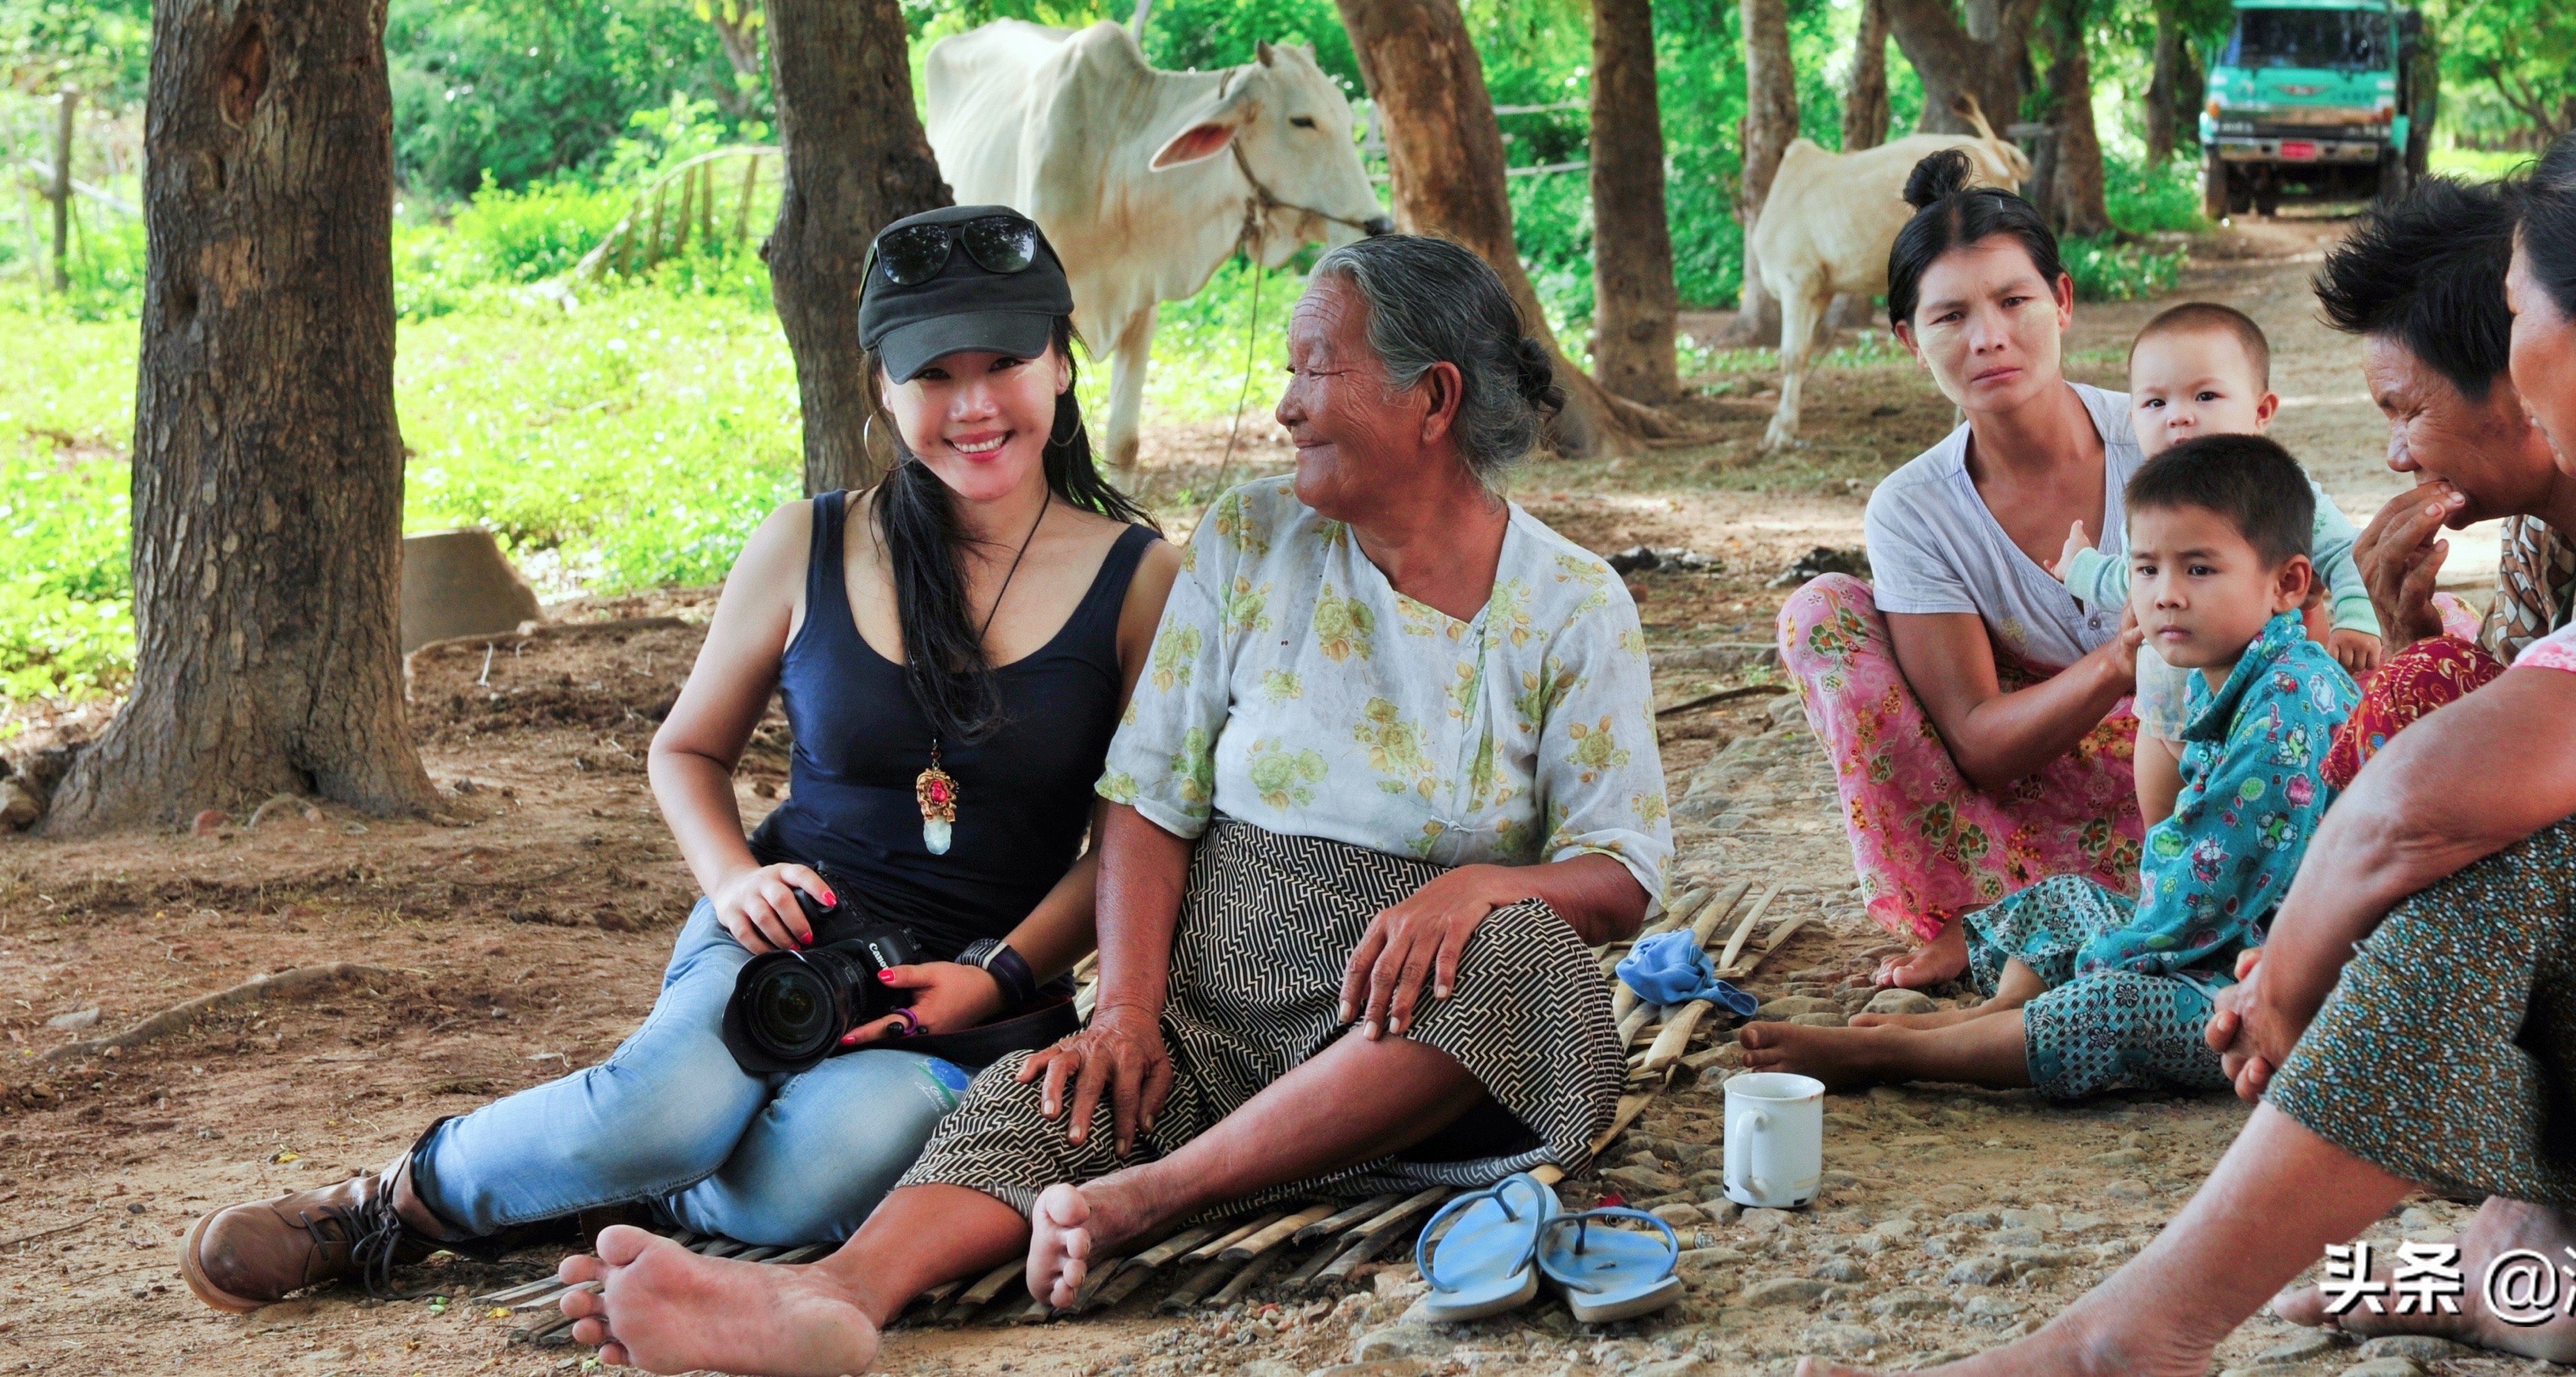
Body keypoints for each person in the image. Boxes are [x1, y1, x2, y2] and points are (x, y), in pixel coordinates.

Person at [1799, 107, 2576, 1377]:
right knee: (2473, 823)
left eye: (2513, 318)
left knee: (2498, 839)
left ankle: (2128, 1339)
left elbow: (2425, 804)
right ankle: (2518, 1256)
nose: (2514, 364)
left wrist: (2285, 978)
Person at [548, 232, 1673, 1376]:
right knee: (1048, 1092)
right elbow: (1145, 799)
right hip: (1215, 1012)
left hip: (1413, 1031)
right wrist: (1127, 1008)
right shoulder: (1250, 536)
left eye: (1312, 370)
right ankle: (833, 1296)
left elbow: (1620, 872)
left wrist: (1481, 890)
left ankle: (1152, 1196)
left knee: (1530, 960)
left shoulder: (1569, 604)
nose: (1284, 407)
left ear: (1432, 399)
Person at [177, 206, 1176, 1310]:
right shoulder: (809, 541)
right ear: (881, 392)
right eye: (933, 374)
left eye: (1006, 363)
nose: (974, 404)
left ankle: (610, 1191)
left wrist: (997, 975)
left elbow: (1138, 838)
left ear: (1065, 366)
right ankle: (391, 1204)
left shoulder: (1142, 583)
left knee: (814, 1176)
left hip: (986, 993)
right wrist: (733, 879)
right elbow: (688, 750)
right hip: (791, 936)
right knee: (667, 1110)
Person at [1740, 436, 2353, 1101]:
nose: (2166, 596)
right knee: (2057, 899)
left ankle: (1898, 1054)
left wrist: (2108, 960)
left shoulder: (2289, 709)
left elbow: (2208, 893)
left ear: (2287, 583)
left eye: (2199, 570)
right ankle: (1989, 1022)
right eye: (2145, 570)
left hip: (2294, 991)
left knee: (2109, 1008)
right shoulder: (2220, 667)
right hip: (2217, 933)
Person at [1778, 152, 2148, 994]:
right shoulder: (1913, 509)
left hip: (2197, 786)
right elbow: (1980, 744)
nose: (1989, 338)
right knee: (1823, 612)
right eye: (1950, 317)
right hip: (2018, 808)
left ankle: (2188, 896)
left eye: (2014, 301)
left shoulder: (2166, 433)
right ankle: (1976, 912)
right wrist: (2117, 662)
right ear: (1911, 341)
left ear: (2061, 301)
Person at [2309, 179, 2576, 784]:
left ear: (2522, 375)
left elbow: (2544, 782)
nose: (2398, 458)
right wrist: (2412, 641)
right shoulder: (2536, 529)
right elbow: (2496, 714)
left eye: (2407, 411)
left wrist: (2419, 674)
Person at [2047, 304, 2379, 811]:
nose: (2178, 415)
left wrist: (2356, 616)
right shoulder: (2152, 501)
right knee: (2162, 840)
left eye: (2205, 395)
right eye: (2154, 403)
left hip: (2264, 716)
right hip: (2165, 717)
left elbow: (2347, 551)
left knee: (2270, 825)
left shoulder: (2280, 492)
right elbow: (2138, 580)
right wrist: (2083, 569)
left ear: (2262, 411)